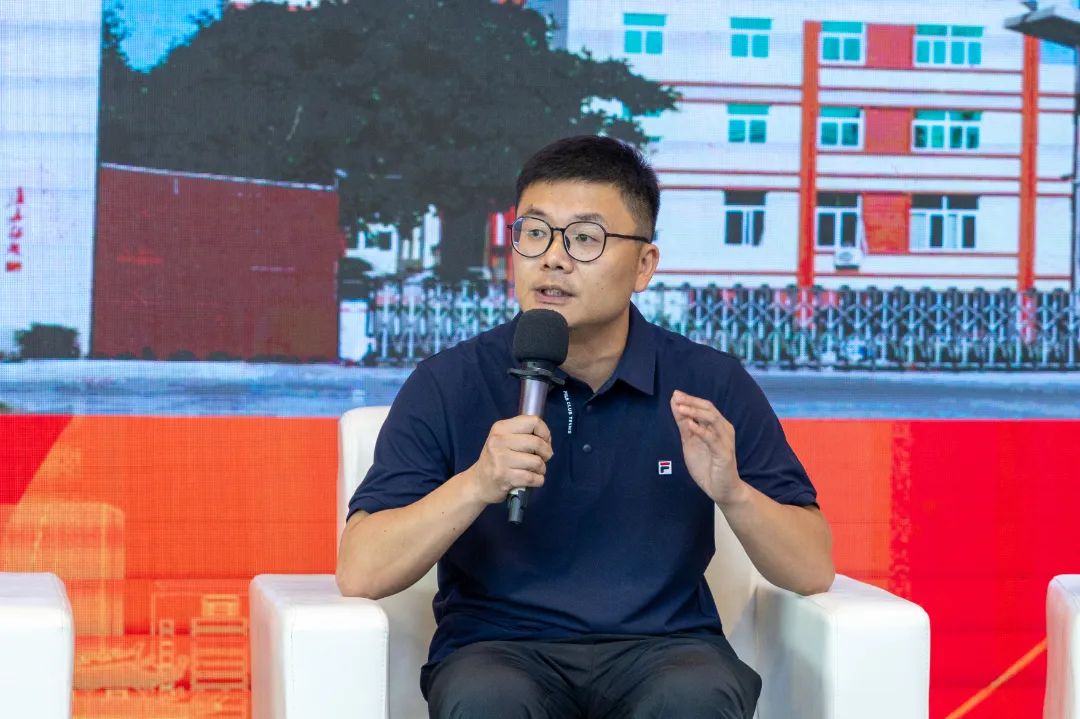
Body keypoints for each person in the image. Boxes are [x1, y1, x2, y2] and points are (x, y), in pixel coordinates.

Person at [336, 135, 834, 719]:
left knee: (695, 697)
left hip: (666, 648)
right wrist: (476, 483)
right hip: (498, 649)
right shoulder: (449, 382)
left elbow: (811, 568)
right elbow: (361, 570)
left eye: (585, 238)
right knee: (486, 700)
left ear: (644, 265)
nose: (552, 258)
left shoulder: (708, 382)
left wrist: (734, 492)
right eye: (535, 233)